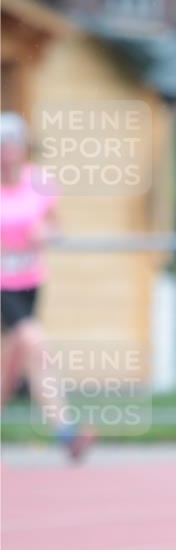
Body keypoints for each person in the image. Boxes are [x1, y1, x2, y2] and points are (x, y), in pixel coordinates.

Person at [1, 111, 95, 461]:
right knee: (37, 346)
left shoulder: (37, 181)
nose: (6, 152)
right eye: (1, 146)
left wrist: (45, 234)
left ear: (22, 146)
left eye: (11, 144)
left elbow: (57, 227)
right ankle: (66, 430)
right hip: (1, 287)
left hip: (28, 282)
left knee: (13, 362)